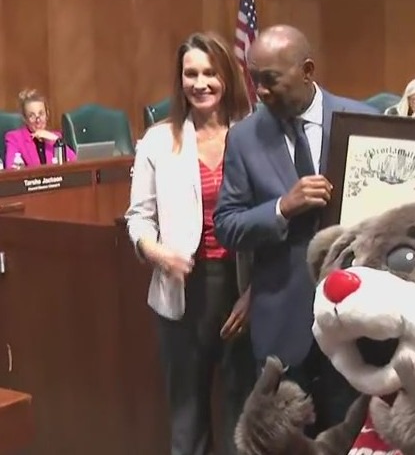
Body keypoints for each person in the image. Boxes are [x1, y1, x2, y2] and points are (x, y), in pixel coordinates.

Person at [213, 24, 378, 435]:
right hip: (282, 325)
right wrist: (281, 208)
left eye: (270, 79)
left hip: (356, 323)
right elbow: (227, 225)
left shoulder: (365, 122)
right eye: (254, 79)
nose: (260, 91)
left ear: (307, 71)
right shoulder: (244, 138)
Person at [125, 32, 255, 455]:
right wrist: (160, 254)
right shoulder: (159, 141)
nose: (200, 83)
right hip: (182, 291)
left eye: (210, 73)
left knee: (242, 421)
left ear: (227, 77)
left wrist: (254, 293)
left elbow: (275, 221)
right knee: (187, 421)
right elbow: (138, 219)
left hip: (241, 290)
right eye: (190, 74)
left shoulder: (253, 134)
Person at [4, 88, 77, 168]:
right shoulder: (15, 138)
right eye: (32, 116)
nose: (38, 120)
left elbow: (74, 162)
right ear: (25, 119)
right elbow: (11, 168)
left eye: (41, 114)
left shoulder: (55, 137)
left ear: (47, 114)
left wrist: (56, 140)